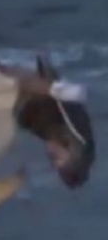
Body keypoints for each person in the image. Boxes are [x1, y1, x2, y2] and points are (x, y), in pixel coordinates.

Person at [16, 56, 96, 189]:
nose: (49, 151)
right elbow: (73, 93)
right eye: (54, 155)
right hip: (36, 65)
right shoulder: (74, 125)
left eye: (51, 156)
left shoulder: (30, 123)